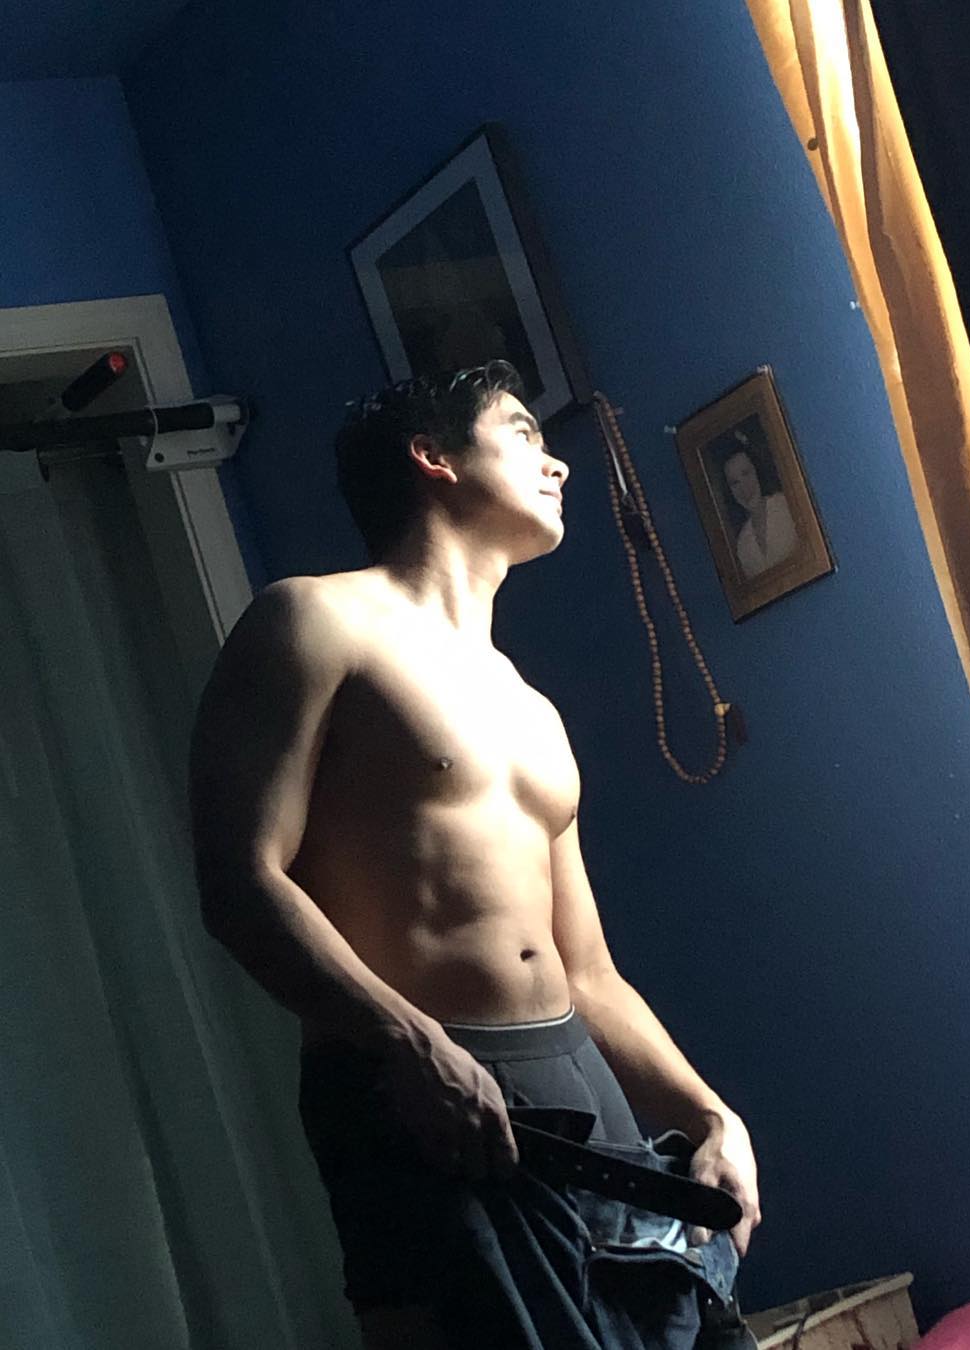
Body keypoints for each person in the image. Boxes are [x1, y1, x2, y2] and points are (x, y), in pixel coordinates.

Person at [187, 360, 761, 1349]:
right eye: (523, 433)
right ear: (433, 457)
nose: (558, 463)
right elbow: (240, 881)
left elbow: (589, 973)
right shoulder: (315, 621)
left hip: (576, 1087)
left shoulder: (529, 706)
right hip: (421, 1089)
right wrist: (408, 1045)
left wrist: (714, 1117)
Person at [721, 435, 797, 579]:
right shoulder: (742, 545)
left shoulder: (787, 506)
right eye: (735, 483)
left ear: (757, 470)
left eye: (746, 473)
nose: (744, 487)